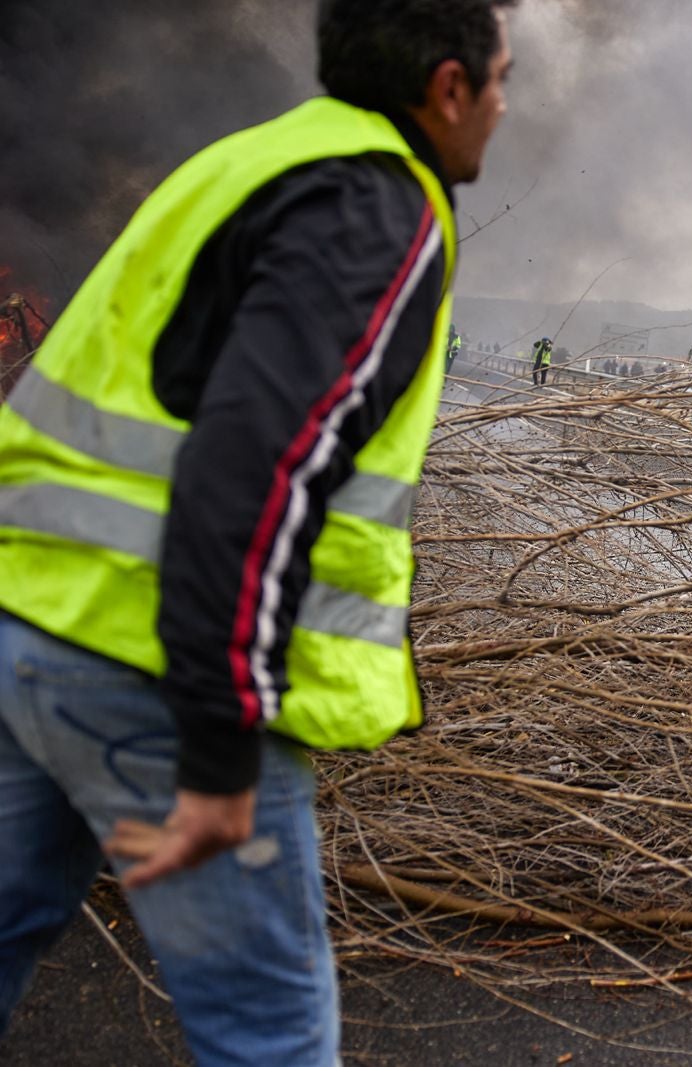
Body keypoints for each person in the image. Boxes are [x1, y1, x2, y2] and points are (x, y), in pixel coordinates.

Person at [0, 1, 516, 1062]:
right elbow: (254, 471)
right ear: (449, 86)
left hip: (29, 629)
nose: (504, 110)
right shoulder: (375, 206)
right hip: (147, 668)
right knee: (268, 1030)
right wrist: (222, 746)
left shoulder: (241, 161)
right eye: (501, 80)